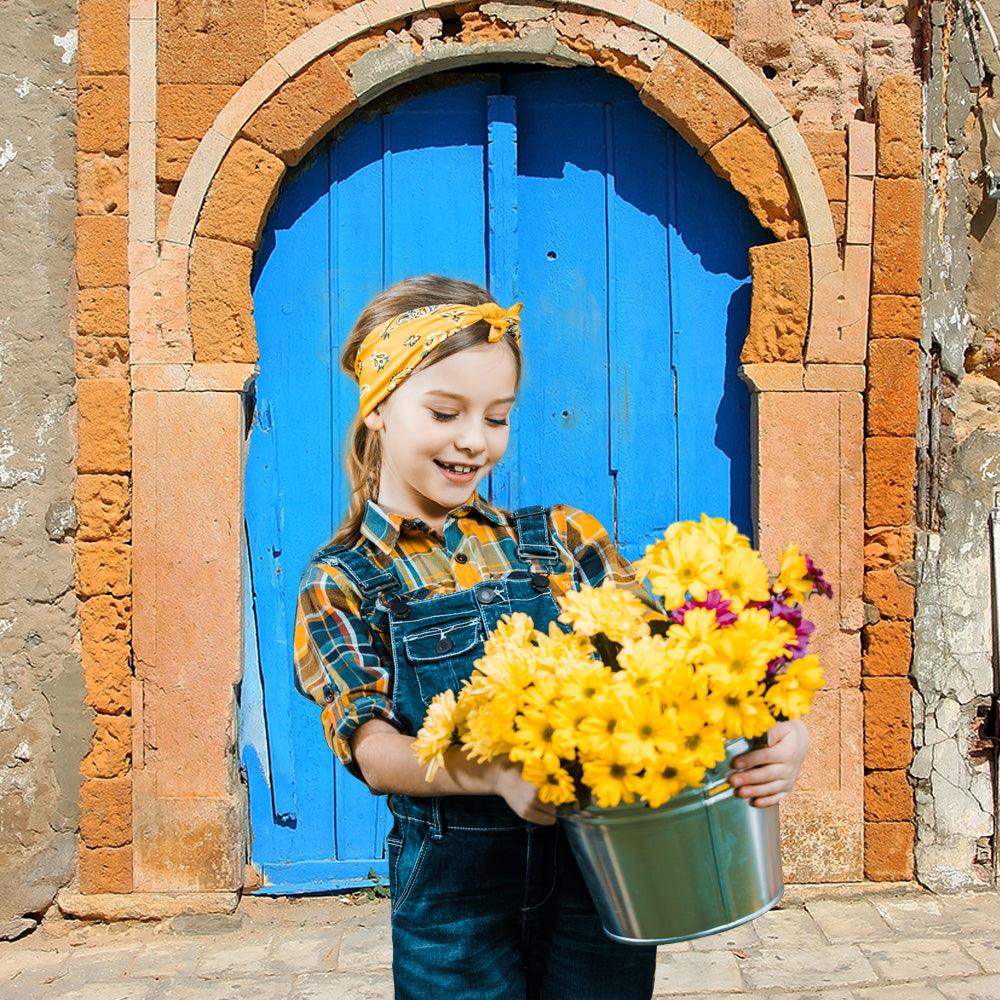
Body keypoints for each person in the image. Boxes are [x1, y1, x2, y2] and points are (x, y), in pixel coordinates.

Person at [292, 274, 809, 1000]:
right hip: (454, 907)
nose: (474, 441)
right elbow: (371, 747)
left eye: (496, 418)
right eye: (445, 412)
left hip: (598, 879)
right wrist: (496, 774)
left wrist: (778, 730)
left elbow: (679, 667)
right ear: (378, 409)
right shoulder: (340, 579)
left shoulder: (563, 539)